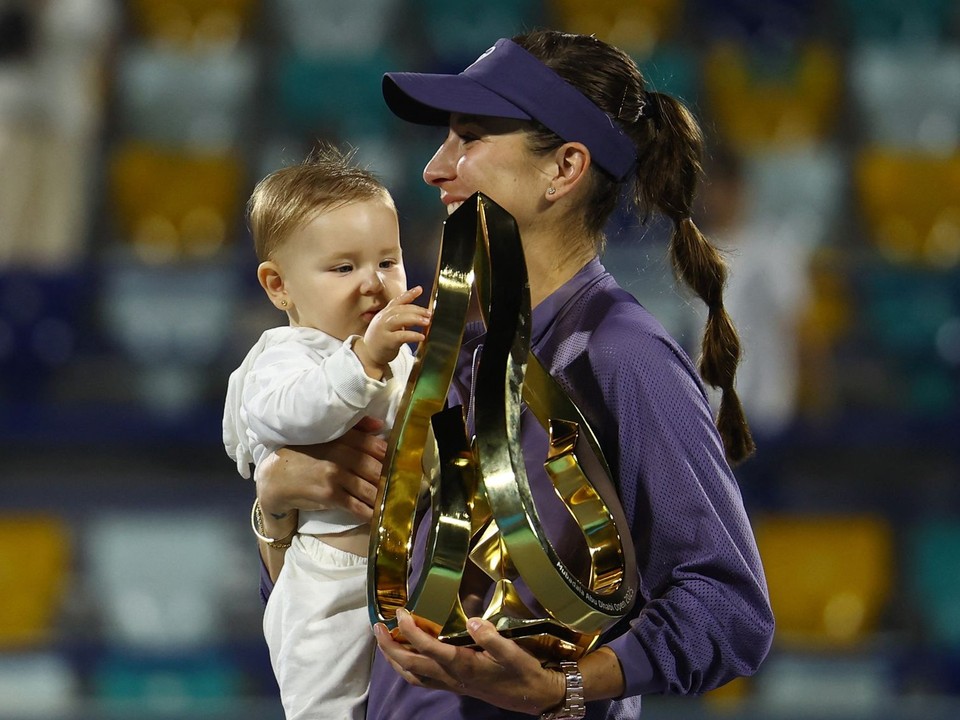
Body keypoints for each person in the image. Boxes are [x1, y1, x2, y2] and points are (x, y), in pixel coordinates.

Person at [254, 29, 774, 719]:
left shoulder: (620, 351)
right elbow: (336, 616)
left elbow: (730, 610)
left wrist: (565, 687)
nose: (435, 169)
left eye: (469, 138)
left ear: (564, 168)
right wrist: (278, 511)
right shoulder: (440, 350)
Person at [221, 144, 431, 720]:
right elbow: (292, 414)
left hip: (404, 570)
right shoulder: (285, 355)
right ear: (278, 286)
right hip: (326, 577)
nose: (373, 284)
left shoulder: (399, 351)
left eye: (388, 262)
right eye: (343, 268)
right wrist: (364, 359)